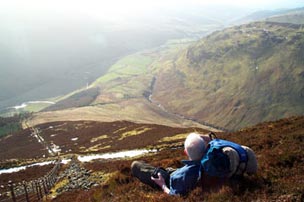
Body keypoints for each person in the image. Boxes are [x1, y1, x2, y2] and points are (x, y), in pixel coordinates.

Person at [131, 133, 208, 195]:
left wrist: (162, 185)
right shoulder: (213, 161)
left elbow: (173, 194)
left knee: (135, 165)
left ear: (185, 152)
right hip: (178, 172)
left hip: (167, 179)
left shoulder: (181, 177)